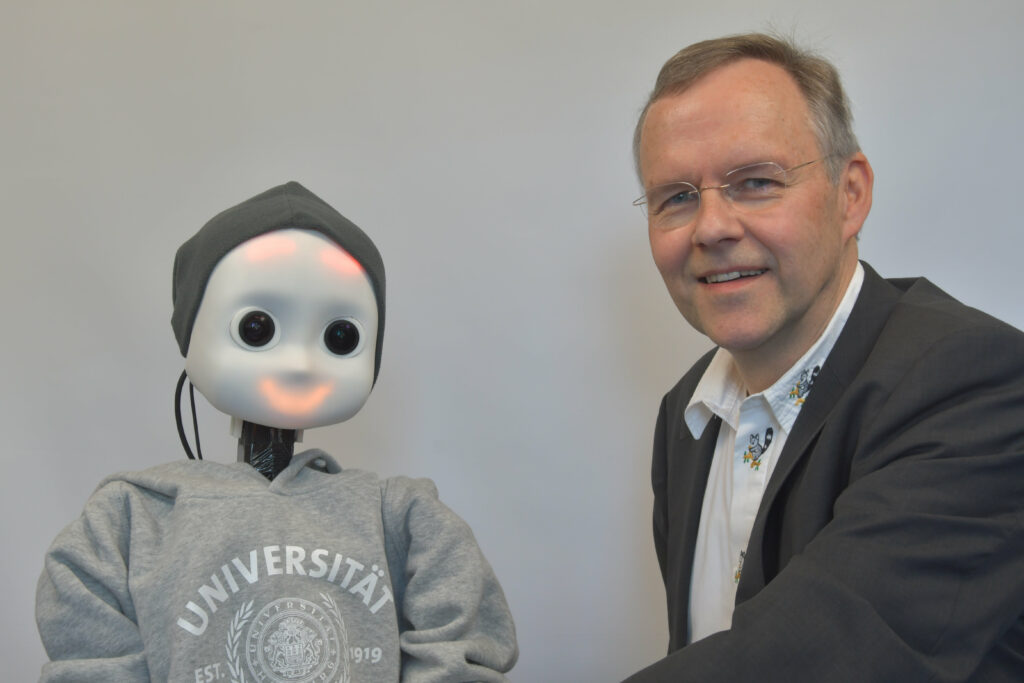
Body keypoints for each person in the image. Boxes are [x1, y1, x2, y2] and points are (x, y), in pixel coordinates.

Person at [623, 34, 1024, 682]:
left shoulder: (975, 382)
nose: (711, 227)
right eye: (676, 196)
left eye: (755, 182)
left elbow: (821, 655)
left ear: (851, 194)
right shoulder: (686, 414)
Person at [36, 182, 518, 682]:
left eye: (339, 336)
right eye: (257, 328)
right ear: (190, 328)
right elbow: (90, 663)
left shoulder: (406, 521)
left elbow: (465, 650)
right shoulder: (128, 522)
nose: (299, 363)